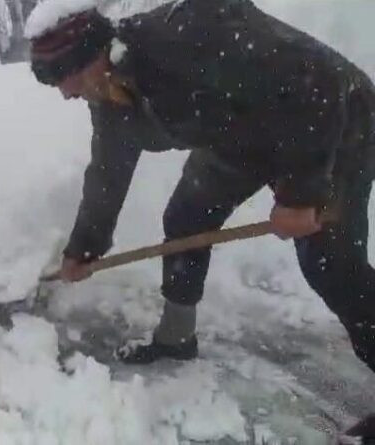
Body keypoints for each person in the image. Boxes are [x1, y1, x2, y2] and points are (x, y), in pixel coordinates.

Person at [28, 0, 375, 439]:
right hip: (239, 133)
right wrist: (84, 248)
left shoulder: (188, 37)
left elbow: (315, 87)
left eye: (64, 76)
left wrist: (301, 194)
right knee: (187, 217)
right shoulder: (110, 95)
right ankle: (176, 337)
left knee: (332, 269)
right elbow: (107, 173)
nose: (65, 92)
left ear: (93, 54)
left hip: (331, 122)